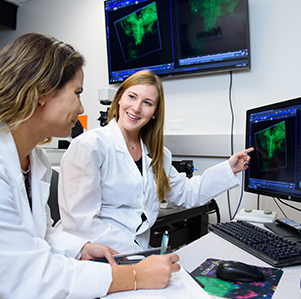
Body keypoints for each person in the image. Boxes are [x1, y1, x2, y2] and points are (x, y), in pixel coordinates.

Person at [0, 33, 180, 299]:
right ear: (41, 92)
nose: (81, 106)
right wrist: (134, 275)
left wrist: (83, 247)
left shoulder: (36, 161)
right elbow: (27, 276)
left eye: (148, 103)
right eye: (77, 93)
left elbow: (42, 233)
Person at [57, 70, 254, 254]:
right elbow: (81, 224)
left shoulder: (158, 154)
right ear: (119, 99)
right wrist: (139, 257)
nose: (136, 108)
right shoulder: (90, 145)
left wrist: (230, 168)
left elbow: (187, 193)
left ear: (154, 113)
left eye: (147, 103)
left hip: (135, 253)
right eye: (132, 97)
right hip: (95, 255)